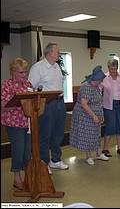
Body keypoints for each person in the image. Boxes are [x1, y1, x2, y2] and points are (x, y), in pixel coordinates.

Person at [28, 42, 68, 174]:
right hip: (46, 104)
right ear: (50, 53)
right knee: (45, 134)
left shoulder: (56, 66)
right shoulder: (38, 68)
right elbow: (30, 88)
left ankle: (56, 160)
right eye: (57, 51)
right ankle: (43, 163)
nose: (59, 54)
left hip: (59, 103)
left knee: (58, 133)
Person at [1, 58, 33, 190]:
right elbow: (3, 106)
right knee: (18, 150)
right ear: (13, 72)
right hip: (14, 124)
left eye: (25, 72)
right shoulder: (6, 85)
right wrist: (19, 102)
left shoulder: (28, 85)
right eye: (21, 72)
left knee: (27, 151)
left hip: (28, 123)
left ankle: (28, 175)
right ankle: (16, 177)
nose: (24, 75)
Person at [70, 65, 109, 165]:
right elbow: (84, 104)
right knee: (87, 135)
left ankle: (99, 154)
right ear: (96, 80)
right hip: (85, 115)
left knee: (96, 135)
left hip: (95, 113)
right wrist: (93, 115)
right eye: (100, 80)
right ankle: (88, 156)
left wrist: (101, 114)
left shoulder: (96, 87)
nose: (101, 82)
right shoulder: (86, 87)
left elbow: (99, 102)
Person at [101, 59, 120, 157]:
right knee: (110, 126)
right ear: (108, 68)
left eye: (115, 68)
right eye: (111, 69)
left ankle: (119, 147)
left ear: (117, 67)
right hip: (109, 105)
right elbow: (100, 92)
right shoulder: (104, 77)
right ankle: (105, 148)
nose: (113, 71)